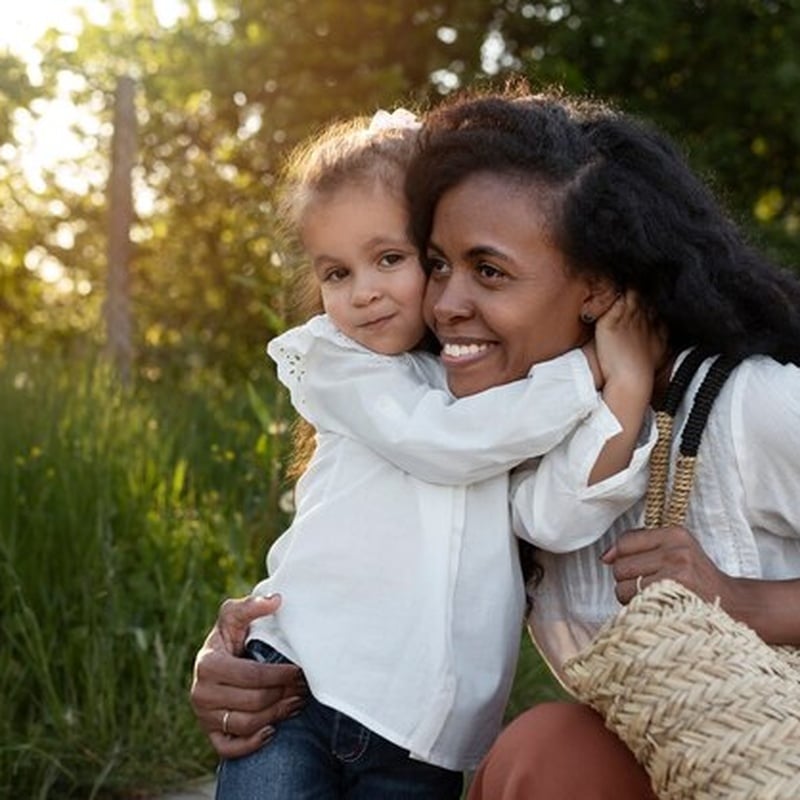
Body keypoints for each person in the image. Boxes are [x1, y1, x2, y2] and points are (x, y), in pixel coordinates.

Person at [213, 105, 660, 800]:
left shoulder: (490, 393)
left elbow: (556, 517)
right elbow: (442, 443)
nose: (362, 293)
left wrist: (627, 388)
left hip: (423, 736)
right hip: (303, 689)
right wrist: (585, 373)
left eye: (391, 259)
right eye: (335, 272)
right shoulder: (339, 364)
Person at [397, 88, 800, 798]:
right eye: (437, 264)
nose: (446, 304)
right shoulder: (485, 438)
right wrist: (254, 657)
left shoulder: (744, 406)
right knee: (543, 757)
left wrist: (745, 599)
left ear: (599, 288)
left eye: (488, 271)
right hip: (670, 763)